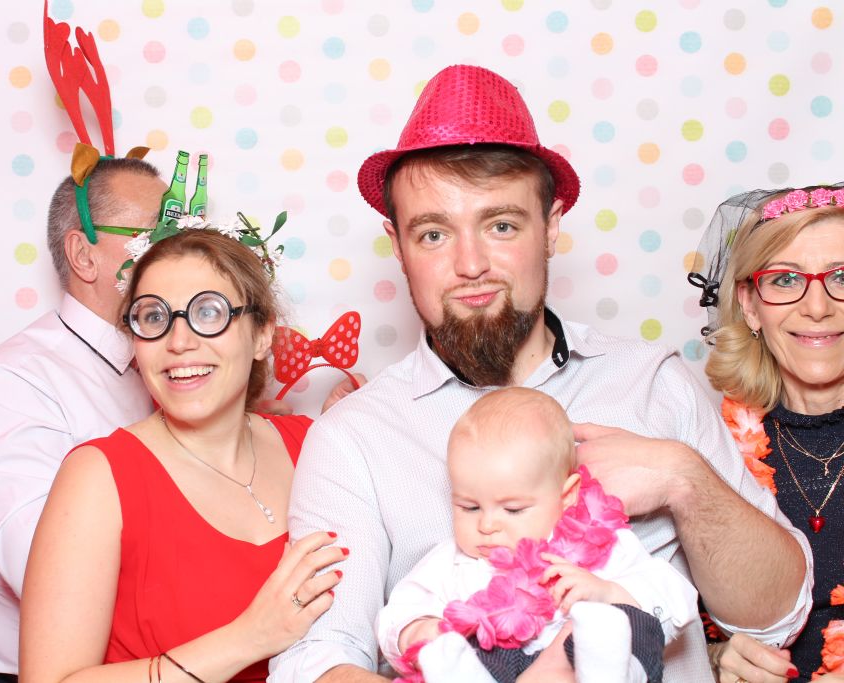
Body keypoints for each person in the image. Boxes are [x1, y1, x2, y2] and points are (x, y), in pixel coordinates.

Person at [269, 64, 813, 682]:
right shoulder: (353, 437)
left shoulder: (650, 381)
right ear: (397, 245)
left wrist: (682, 478)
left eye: (501, 225)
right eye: (433, 234)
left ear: (551, 227)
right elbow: (317, 658)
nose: (470, 264)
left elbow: (776, 618)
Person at [19, 228, 347, 682]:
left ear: (262, 334)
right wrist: (249, 638)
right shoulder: (99, 476)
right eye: (154, 317)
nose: (178, 342)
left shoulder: (319, 444)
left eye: (208, 312)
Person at [0, 157, 164, 682]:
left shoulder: (175, 361)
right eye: (153, 236)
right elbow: (44, 573)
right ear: (83, 255)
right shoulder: (11, 383)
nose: (178, 251)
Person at [377, 388, 697, 683]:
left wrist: (606, 592)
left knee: (628, 620)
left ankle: (608, 670)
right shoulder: (452, 562)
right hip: (501, 667)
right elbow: (399, 611)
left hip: (592, 660)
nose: (487, 525)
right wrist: (418, 631)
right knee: (475, 645)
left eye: (513, 509)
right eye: (469, 507)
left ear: (567, 495)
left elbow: (678, 598)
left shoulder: (601, 545)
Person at [690, 185, 844, 681]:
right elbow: (660, 618)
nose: (817, 307)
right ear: (751, 306)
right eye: (785, 279)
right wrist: (715, 661)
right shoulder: (706, 450)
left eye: (842, 276)